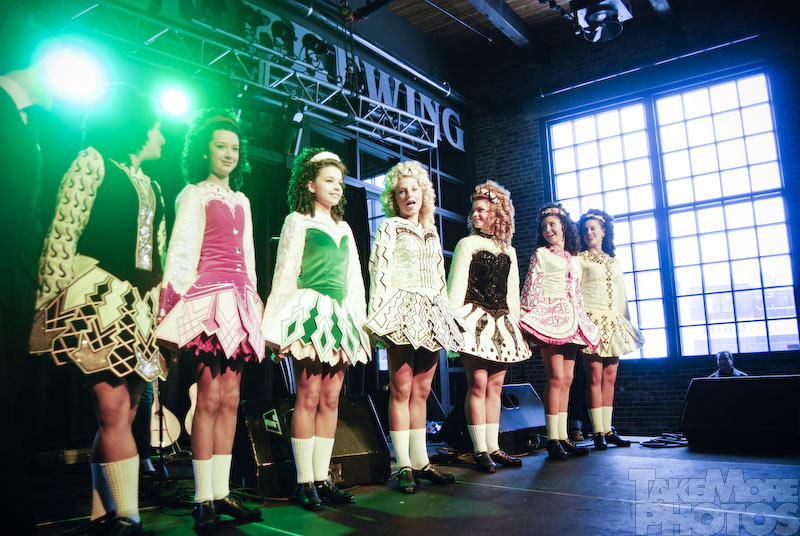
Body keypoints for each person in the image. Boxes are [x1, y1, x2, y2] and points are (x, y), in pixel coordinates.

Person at [30, 83, 166, 535]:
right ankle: (128, 518)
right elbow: (62, 233)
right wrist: (46, 308)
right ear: (137, 126)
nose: (162, 137)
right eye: (157, 128)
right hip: (96, 297)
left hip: (138, 305)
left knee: (126, 412)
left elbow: (158, 254)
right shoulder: (93, 161)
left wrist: (159, 312)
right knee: (112, 405)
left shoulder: (154, 185)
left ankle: (101, 515)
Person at [156, 108, 265, 532]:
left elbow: (249, 259)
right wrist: (172, 309)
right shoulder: (194, 194)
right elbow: (181, 253)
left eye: (234, 148)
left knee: (231, 399)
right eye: (220, 146)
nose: (228, 154)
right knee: (208, 397)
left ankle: (221, 491)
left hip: (238, 300)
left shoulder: (243, 200)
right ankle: (203, 497)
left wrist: (254, 305)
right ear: (205, 151)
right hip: (207, 299)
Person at [261, 148, 371, 510]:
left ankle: (322, 477)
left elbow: (355, 281)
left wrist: (360, 323)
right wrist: (275, 327)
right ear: (310, 185)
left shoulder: (344, 228)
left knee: (331, 398)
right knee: (307, 395)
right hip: (310, 312)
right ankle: (303, 481)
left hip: (341, 316)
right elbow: (285, 273)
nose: (337, 187)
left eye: (340, 182)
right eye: (329, 180)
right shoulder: (297, 221)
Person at [366, 160, 463, 493]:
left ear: (424, 194)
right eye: (402, 191)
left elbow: (439, 279)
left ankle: (421, 461)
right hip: (402, 312)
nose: (409, 195)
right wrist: (379, 316)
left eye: (414, 190)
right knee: (401, 388)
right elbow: (379, 271)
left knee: (422, 391)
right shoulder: (390, 227)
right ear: (394, 198)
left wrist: (445, 317)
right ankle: (404, 465)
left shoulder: (431, 231)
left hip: (432, 313)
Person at [447, 181, 531, 472]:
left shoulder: (509, 250)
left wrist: (515, 328)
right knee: (478, 383)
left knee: (496, 387)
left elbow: (512, 292)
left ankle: (494, 447)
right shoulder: (466, 244)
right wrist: (453, 325)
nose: (476, 215)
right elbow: (456, 288)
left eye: (482, 210)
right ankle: (479, 449)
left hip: (502, 322)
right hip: (474, 320)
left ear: (497, 213)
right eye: (474, 210)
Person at [518, 203, 600, 461]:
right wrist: (526, 314)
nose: (548, 230)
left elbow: (577, 292)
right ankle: (553, 438)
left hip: (572, 318)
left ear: (563, 226)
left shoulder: (574, 258)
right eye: (544, 227)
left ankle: (563, 436)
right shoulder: (541, 254)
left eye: (552, 224)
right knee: (555, 377)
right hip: (549, 316)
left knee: (568, 378)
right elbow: (532, 285)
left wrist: (582, 319)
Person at [576, 209, 644, 450]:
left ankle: (607, 429)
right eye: (585, 229)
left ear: (603, 231)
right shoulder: (579, 259)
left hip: (614, 322)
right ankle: (597, 431)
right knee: (594, 375)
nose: (589, 233)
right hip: (591, 320)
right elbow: (576, 291)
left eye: (593, 228)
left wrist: (626, 323)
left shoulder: (614, 262)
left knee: (610, 377)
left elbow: (622, 295)